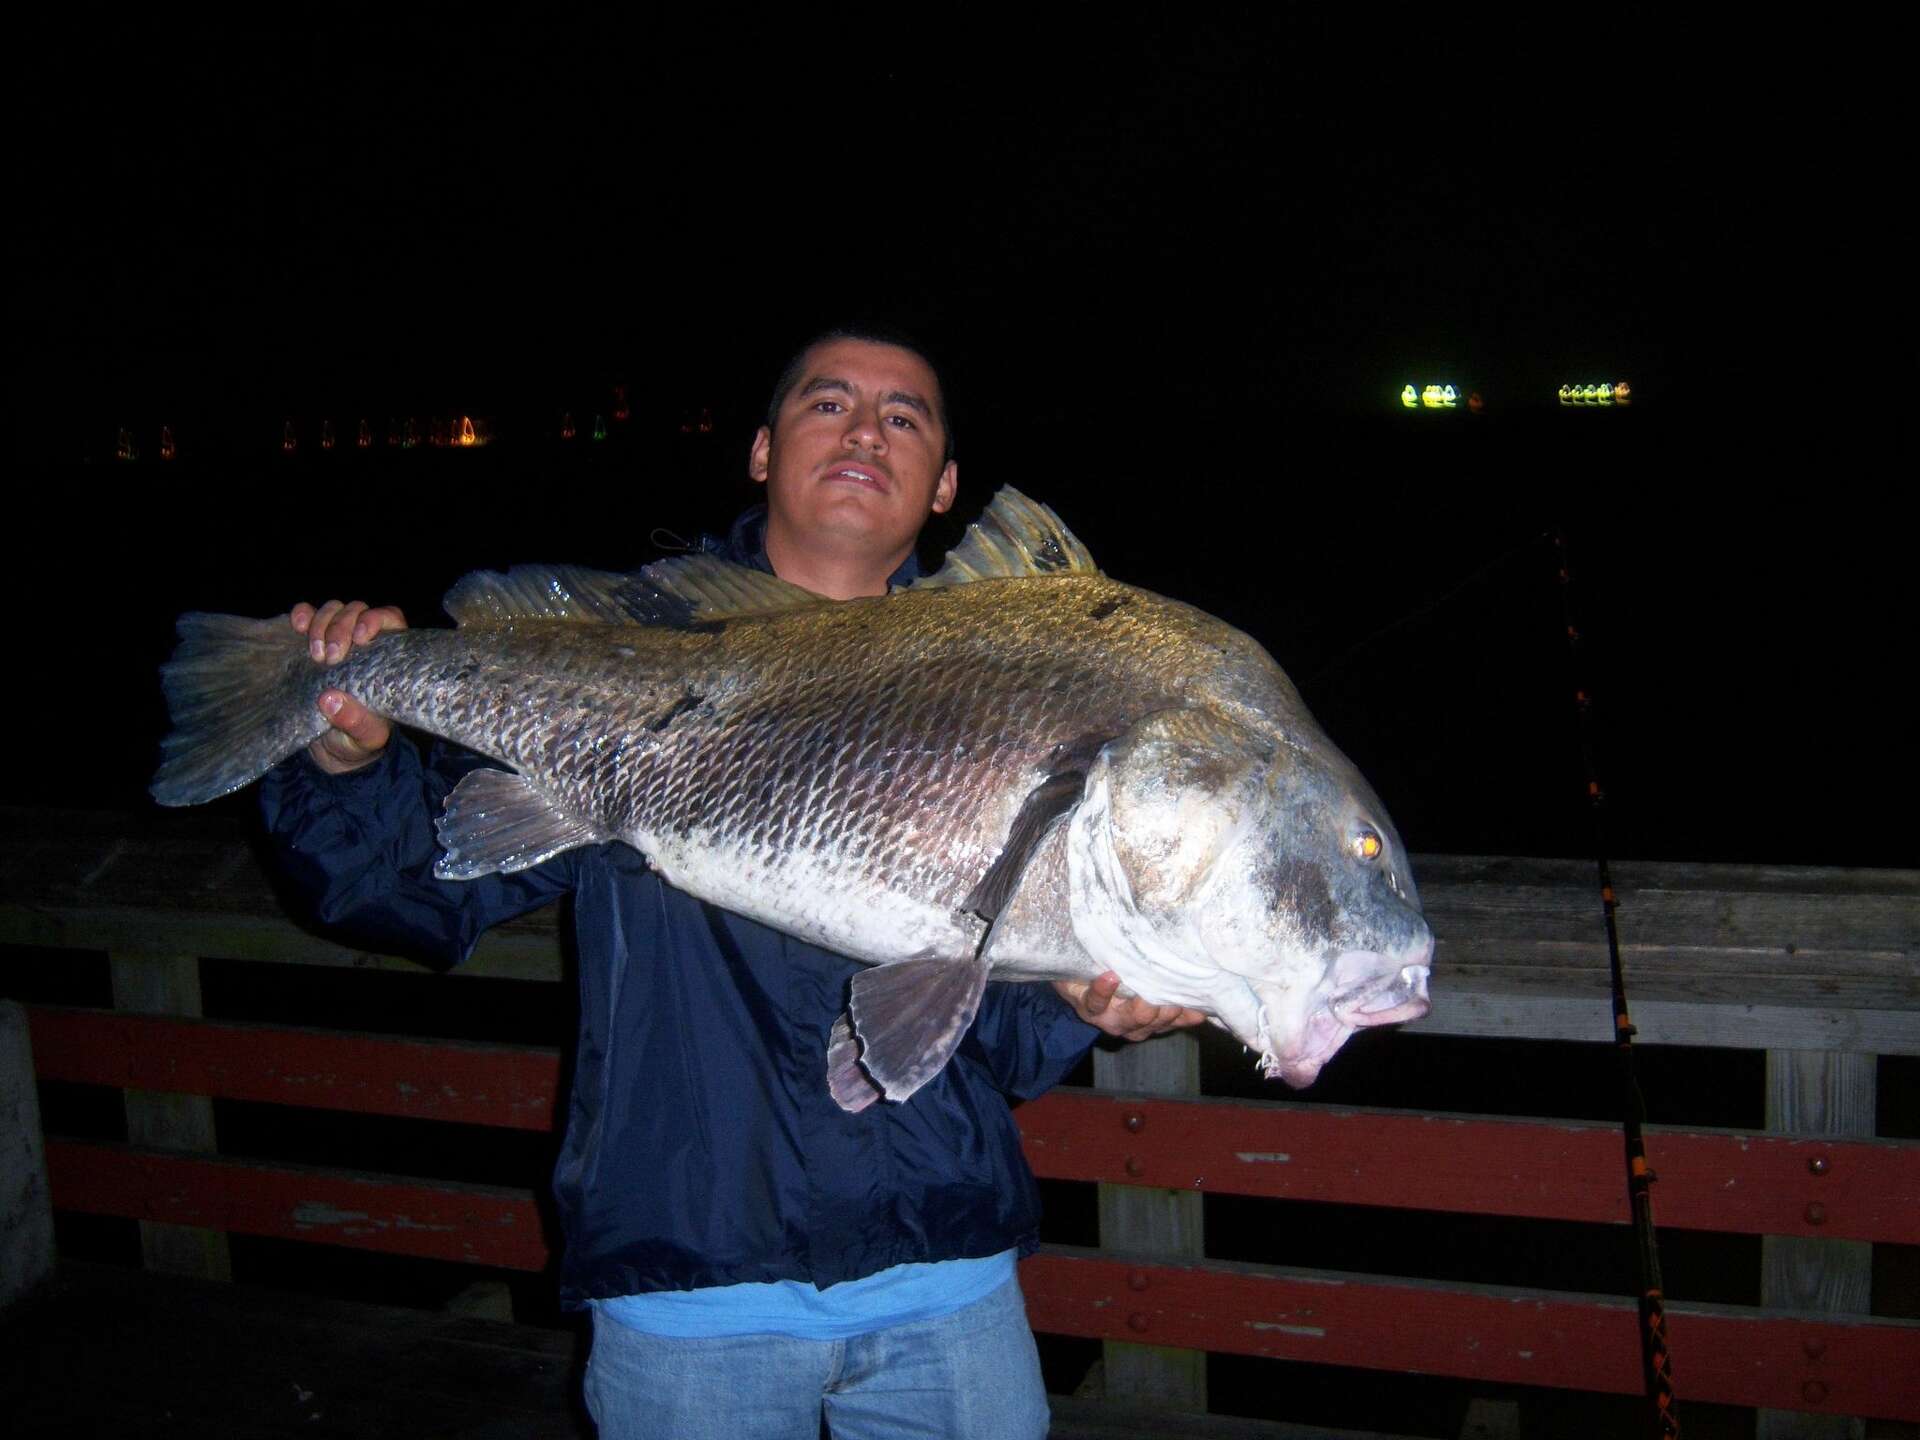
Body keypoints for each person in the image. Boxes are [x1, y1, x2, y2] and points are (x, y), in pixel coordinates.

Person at [261, 328, 1203, 1440]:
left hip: (946, 1281)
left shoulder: (1018, 700)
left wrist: (1083, 997)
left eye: (905, 417)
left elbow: (996, 1046)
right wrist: (342, 760)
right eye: (829, 403)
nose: (866, 431)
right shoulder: (637, 650)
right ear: (761, 452)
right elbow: (398, 894)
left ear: (945, 483)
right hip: (690, 1292)